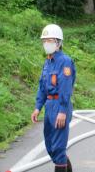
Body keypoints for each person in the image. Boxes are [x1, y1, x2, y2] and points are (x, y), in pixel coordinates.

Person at [31, 24, 76, 172]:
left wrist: (63, 110)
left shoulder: (65, 61)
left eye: (49, 40)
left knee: (58, 146)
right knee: (50, 146)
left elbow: (65, 87)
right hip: (49, 105)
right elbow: (42, 87)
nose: (46, 44)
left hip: (59, 105)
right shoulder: (47, 62)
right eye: (44, 41)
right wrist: (38, 107)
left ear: (58, 42)